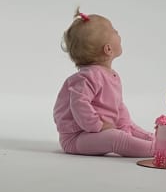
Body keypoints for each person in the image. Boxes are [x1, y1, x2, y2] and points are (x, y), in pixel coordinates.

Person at [53, 8, 154, 158]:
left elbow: (117, 106)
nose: (118, 32)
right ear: (108, 49)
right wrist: (97, 125)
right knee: (115, 138)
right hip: (77, 137)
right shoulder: (86, 78)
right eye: (114, 31)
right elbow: (79, 104)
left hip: (99, 131)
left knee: (129, 129)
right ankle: (155, 150)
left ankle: (156, 141)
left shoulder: (111, 76)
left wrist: (125, 125)